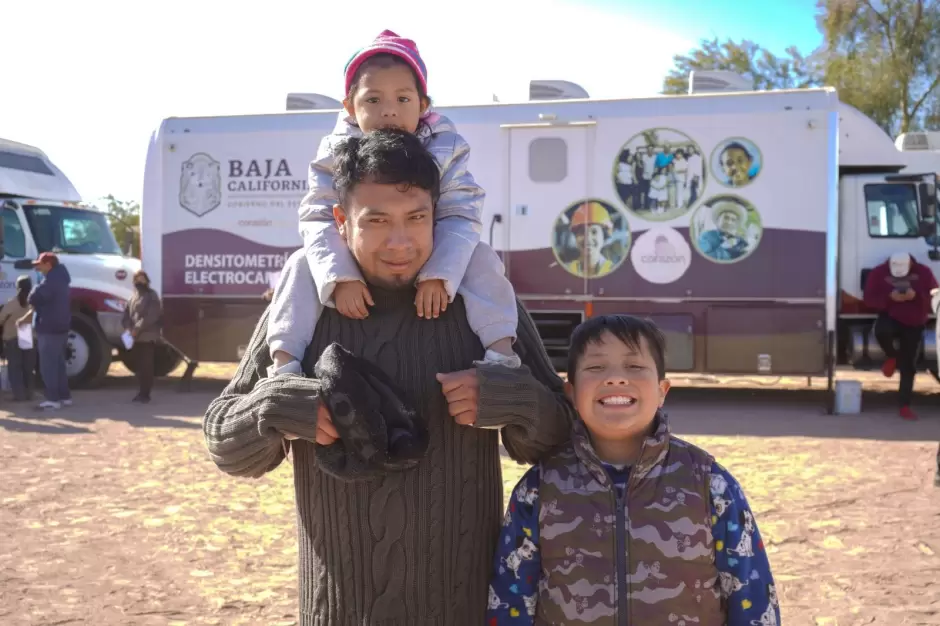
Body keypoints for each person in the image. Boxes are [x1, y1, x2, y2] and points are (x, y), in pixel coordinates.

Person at [203, 128, 575, 625]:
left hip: (461, 609)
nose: (400, 242)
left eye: (416, 219)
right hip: (339, 611)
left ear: (438, 216)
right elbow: (225, 441)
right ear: (340, 221)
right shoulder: (307, 304)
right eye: (376, 221)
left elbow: (563, 437)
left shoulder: (481, 302)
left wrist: (510, 398)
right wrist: (282, 407)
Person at [487, 315, 781, 625]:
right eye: (596, 368)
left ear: (662, 390)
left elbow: (752, 594)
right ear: (571, 393)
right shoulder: (541, 488)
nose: (615, 378)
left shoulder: (709, 483)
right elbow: (510, 598)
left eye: (635, 367)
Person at [267, 29, 520, 382]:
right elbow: (318, 217)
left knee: (481, 256)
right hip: (352, 267)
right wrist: (340, 277)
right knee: (299, 265)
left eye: (403, 99)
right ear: (349, 108)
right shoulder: (334, 152)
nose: (388, 111)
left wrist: (439, 276)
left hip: (434, 261)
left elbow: (460, 214)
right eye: (373, 100)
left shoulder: (445, 147)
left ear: (424, 105)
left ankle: (502, 352)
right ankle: (282, 365)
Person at [863, 252, 939, 420]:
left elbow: (935, 298)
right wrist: (889, 298)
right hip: (891, 316)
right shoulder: (879, 273)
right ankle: (892, 356)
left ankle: (904, 406)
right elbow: (869, 299)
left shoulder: (924, 272)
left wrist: (917, 296)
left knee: (909, 367)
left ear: (911, 264)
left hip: (915, 322)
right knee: (881, 331)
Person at [24, 252, 72, 410]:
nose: (37, 267)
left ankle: (52, 399)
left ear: (48, 265)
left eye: (40, 264)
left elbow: (32, 298)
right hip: (61, 327)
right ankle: (64, 396)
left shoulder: (50, 281)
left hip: (49, 327)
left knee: (48, 365)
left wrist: (35, 287)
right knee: (58, 364)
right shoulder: (62, 278)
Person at [122, 270, 164, 403]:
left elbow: (152, 316)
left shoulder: (152, 296)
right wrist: (128, 328)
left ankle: (145, 394)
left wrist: (137, 329)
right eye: (137, 279)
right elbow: (126, 315)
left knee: (146, 366)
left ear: (147, 280)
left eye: (142, 279)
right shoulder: (133, 296)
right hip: (134, 338)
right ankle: (140, 392)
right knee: (139, 367)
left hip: (147, 336)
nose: (140, 282)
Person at [0, 275, 36, 401]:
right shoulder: (33, 303)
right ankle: (29, 393)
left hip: (11, 338)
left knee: (15, 368)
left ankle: (19, 395)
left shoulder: (11, 304)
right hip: (28, 337)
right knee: (28, 368)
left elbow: (1, 320)